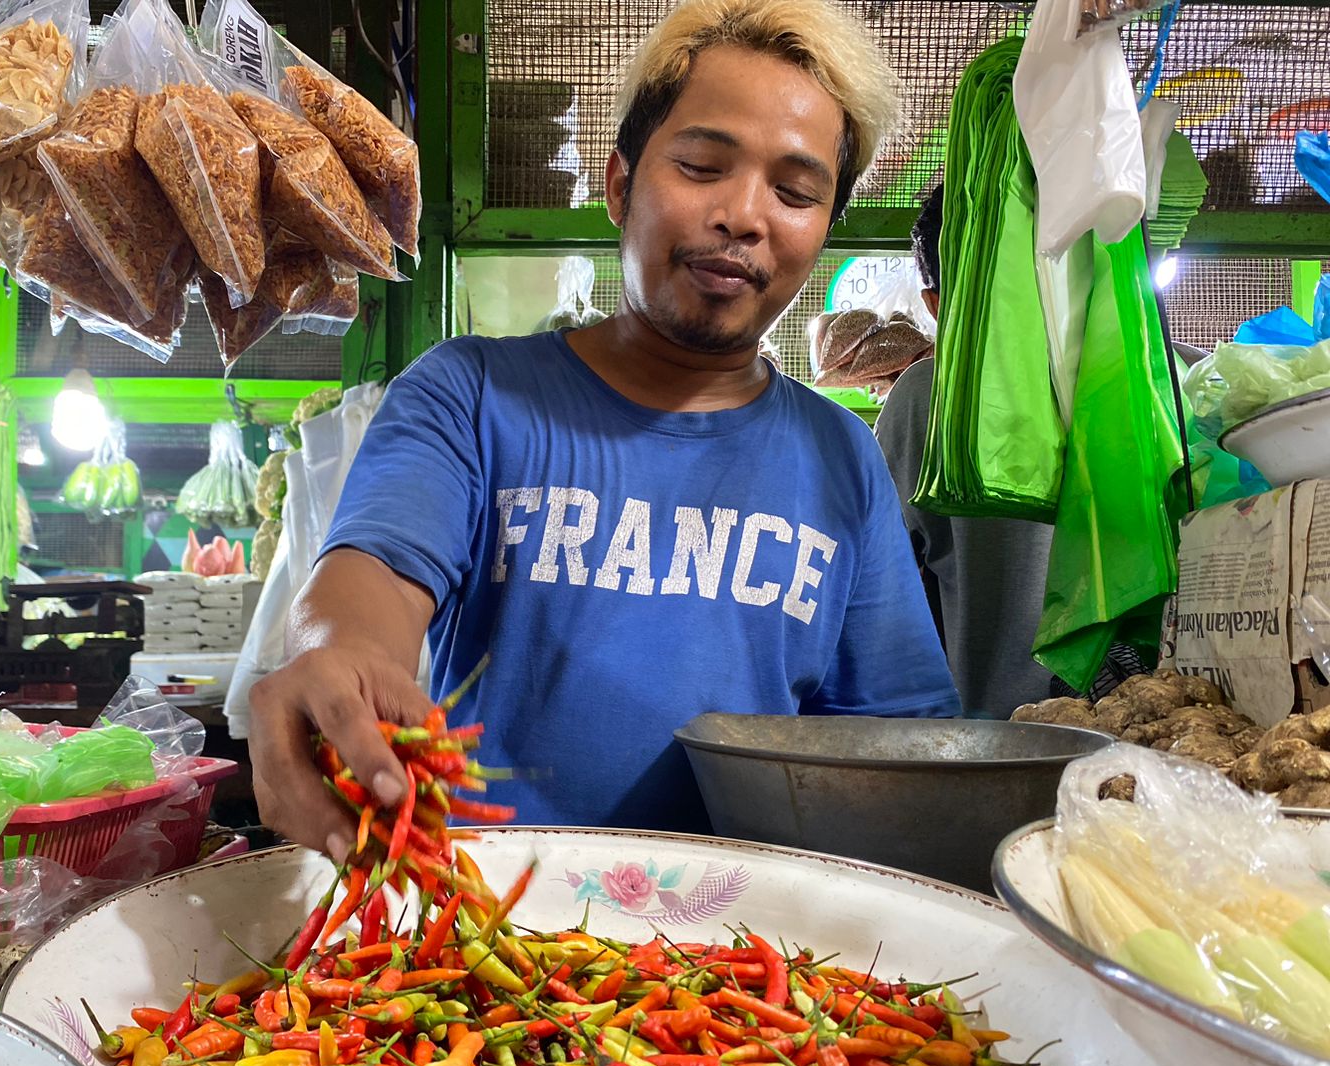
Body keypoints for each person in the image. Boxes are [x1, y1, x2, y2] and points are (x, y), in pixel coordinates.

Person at [247, 0, 960, 859]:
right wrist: (339, 659)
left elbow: (899, 737)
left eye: (796, 190)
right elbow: (372, 587)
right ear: (621, 185)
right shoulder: (473, 396)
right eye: (701, 166)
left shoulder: (840, 457)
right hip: (484, 937)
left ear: (822, 228)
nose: (744, 214)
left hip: (735, 964)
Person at [873, 187, 1056, 719]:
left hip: (1002, 744)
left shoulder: (927, 396)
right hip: (1172, 738)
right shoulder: (1172, 379)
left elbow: (891, 603)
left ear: (935, 304)